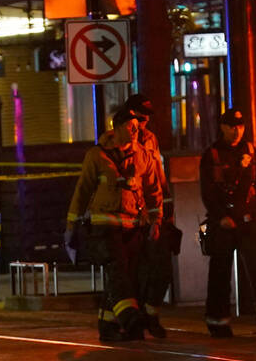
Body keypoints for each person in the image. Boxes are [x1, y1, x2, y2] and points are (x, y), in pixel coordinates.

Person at [66, 109, 163, 341]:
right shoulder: (97, 156)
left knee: (128, 276)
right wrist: (71, 225)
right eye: (131, 126)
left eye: (137, 127)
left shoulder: (142, 156)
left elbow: (153, 191)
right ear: (116, 127)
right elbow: (83, 190)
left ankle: (108, 326)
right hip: (104, 226)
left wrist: (156, 220)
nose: (136, 130)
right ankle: (131, 318)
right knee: (118, 271)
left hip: (132, 226)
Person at [199, 108, 256, 337]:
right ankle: (217, 322)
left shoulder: (250, 150)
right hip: (223, 223)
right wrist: (221, 216)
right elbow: (208, 192)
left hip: (249, 221)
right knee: (220, 273)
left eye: (240, 126)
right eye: (231, 126)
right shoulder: (212, 155)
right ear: (222, 127)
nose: (236, 131)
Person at [123, 94, 178, 338]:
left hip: (153, 213)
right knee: (135, 271)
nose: (144, 123)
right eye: (139, 117)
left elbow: (158, 177)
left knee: (162, 267)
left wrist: (167, 211)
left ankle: (151, 313)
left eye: (146, 119)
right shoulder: (118, 141)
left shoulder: (151, 140)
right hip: (131, 216)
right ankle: (132, 321)